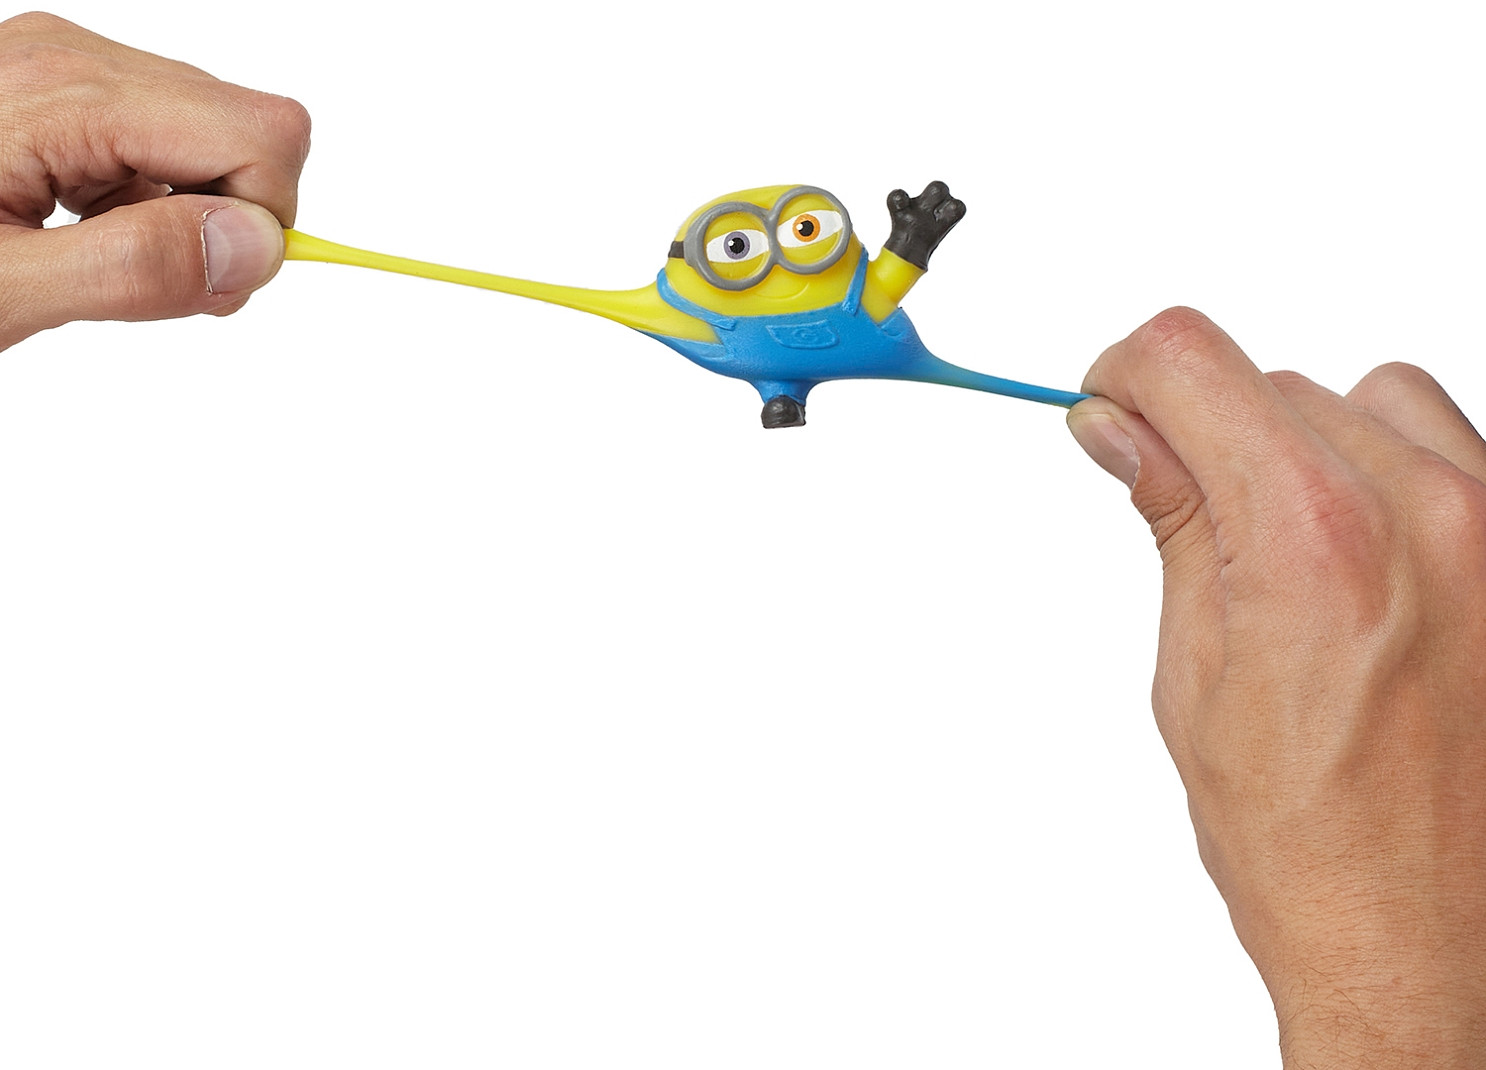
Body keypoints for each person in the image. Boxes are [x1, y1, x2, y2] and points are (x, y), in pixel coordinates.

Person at [3, 12, 1483, 1067]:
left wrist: (910, 241)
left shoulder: (837, 296)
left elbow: (880, 297)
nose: (773, 256)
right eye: (742, 254)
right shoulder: (675, 310)